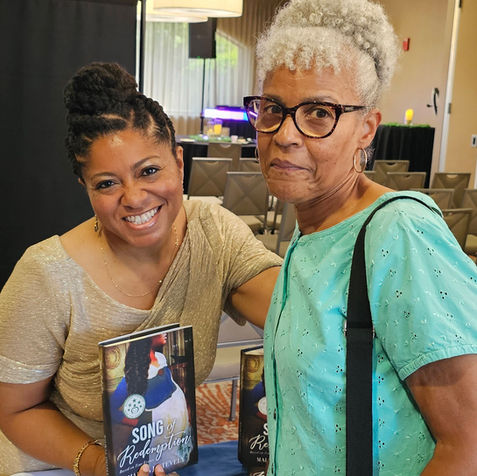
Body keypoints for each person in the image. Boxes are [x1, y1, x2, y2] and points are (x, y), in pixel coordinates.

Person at [0, 62, 281, 476]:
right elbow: (15, 410)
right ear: (85, 187)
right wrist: (100, 464)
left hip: (162, 464)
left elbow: (286, 307)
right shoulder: (46, 276)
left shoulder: (213, 232)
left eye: (149, 171)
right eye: (107, 183)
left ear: (179, 162)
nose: (133, 198)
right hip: (55, 466)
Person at [241, 0, 477, 474]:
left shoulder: (398, 232)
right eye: (273, 109)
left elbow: (468, 444)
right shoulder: (312, 231)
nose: (285, 134)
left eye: (319, 113)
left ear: (366, 129)